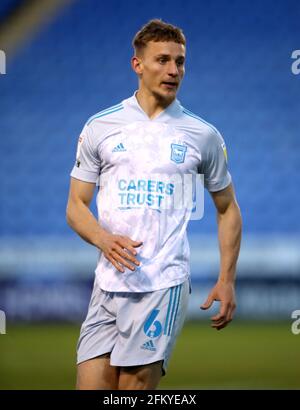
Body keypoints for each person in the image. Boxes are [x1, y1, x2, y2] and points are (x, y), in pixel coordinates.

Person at [66, 18, 242, 390]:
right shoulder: (101, 126)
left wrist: (226, 279)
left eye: (180, 62)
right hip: (108, 284)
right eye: (162, 60)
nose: (173, 70)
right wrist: (103, 238)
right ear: (138, 65)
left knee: (133, 390)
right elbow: (76, 207)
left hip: (162, 282)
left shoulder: (203, 135)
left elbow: (227, 207)